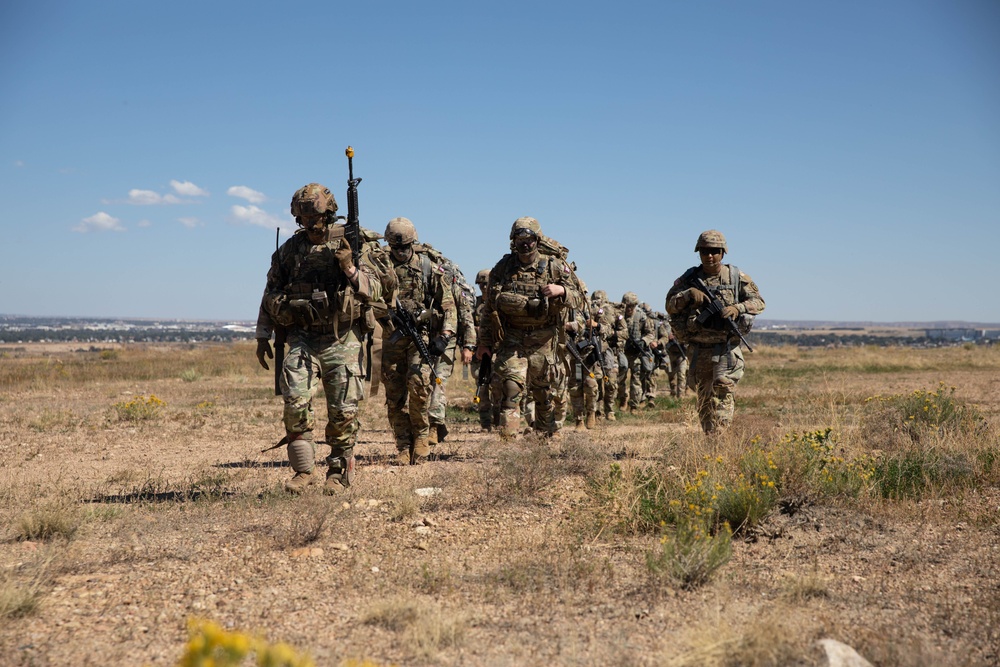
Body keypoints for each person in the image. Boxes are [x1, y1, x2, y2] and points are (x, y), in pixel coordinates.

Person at [255, 183, 383, 494]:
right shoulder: (289, 251)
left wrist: (349, 268)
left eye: (315, 218)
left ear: (329, 214)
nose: (310, 225)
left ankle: (338, 473)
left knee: (343, 410)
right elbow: (270, 292)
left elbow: (377, 289)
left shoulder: (356, 243)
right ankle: (304, 472)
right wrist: (263, 335)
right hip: (303, 335)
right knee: (295, 401)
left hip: (341, 336)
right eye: (303, 219)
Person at [476, 217, 582, 439]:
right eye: (519, 239)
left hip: (544, 341)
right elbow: (489, 309)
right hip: (512, 338)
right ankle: (509, 448)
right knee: (510, 390)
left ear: (537, 240)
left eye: (530, 239)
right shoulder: (503, 268)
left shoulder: (554, 266)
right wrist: (484, 343)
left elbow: (579, 299)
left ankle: (544, 440)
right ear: (512, 241)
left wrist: (561, 291)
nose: (525, 244)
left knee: (543, 395)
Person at [666, 229, 765, 434]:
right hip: (699, 349)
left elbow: (759, 302)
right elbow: (670, 305)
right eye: (704, 251)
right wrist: (687, 295)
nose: (709, 256)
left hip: (726, 348)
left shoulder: (736, 276)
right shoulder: (689, 278)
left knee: (723, 388)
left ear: (722, 253)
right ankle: (710, 436)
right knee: (704, 396)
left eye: (714, 251)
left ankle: (721, 436)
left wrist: (738, 308)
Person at [380, 217, 457, 464]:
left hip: (419, 336)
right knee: (394, 394)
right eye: (396, 248)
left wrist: (444, 336)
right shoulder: (379, 267)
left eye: (405, 247)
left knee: (420, 386)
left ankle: (422, 437)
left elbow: (448, 304)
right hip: (391, 338)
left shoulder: (427, 267)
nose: (401, 253)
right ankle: (403, 445)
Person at [417, 243, 476, 446]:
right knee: (422, 382)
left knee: (438, 381)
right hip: (424, 340)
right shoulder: (420, 286)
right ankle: (436, 423)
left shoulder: (455, 290)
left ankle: (433, 426)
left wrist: (468, 346)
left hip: (447, 341)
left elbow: (467, 319)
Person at [590, 290, 626, 421]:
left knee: (611, 383)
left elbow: (625, 332)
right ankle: (597, 411)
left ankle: (609, 410)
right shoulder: (589, 310)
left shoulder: (614, 313)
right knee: (596, 382)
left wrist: (612, 335)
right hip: (593, 351)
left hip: (610, 352)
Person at [618, 292, 656, 413]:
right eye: (627, 305)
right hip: (622, 351)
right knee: (620, 378)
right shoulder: (618, 315)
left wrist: (643, 341)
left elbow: (651, 334)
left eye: (632, 306)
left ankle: (634, 405)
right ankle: (623, 399)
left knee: (636, 380)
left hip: (636, 353)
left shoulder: (641, 316)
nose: (629, 309)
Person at [472, 269, 500, 432]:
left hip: (496, 351)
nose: (483, 287)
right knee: (482, 387)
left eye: (486, 284)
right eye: (481, 284)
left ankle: (497, 420)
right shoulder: (473, 304)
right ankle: (485, 423)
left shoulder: (497, 303)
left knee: (497, 387)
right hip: (478, 353)